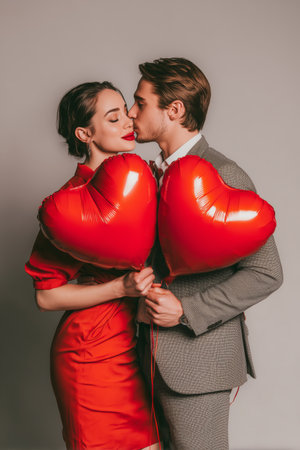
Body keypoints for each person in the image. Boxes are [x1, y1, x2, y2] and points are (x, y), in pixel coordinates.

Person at [128, 58, 283, 450]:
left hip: (197, 366)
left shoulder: (223, 175)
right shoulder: (145, 175)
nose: (131, 113)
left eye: (140, 102)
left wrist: (185, 311)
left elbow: (267, 272)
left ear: (174, 110)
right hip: (143, 356)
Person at [25, 81, 160, 450]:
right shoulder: (68, 205)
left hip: (135, 352)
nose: (128, 121)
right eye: (114, 118)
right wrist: (121, 288)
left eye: (127, 113)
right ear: (85, 133)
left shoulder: (142, 180)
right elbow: (46, 297)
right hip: (89, 356)